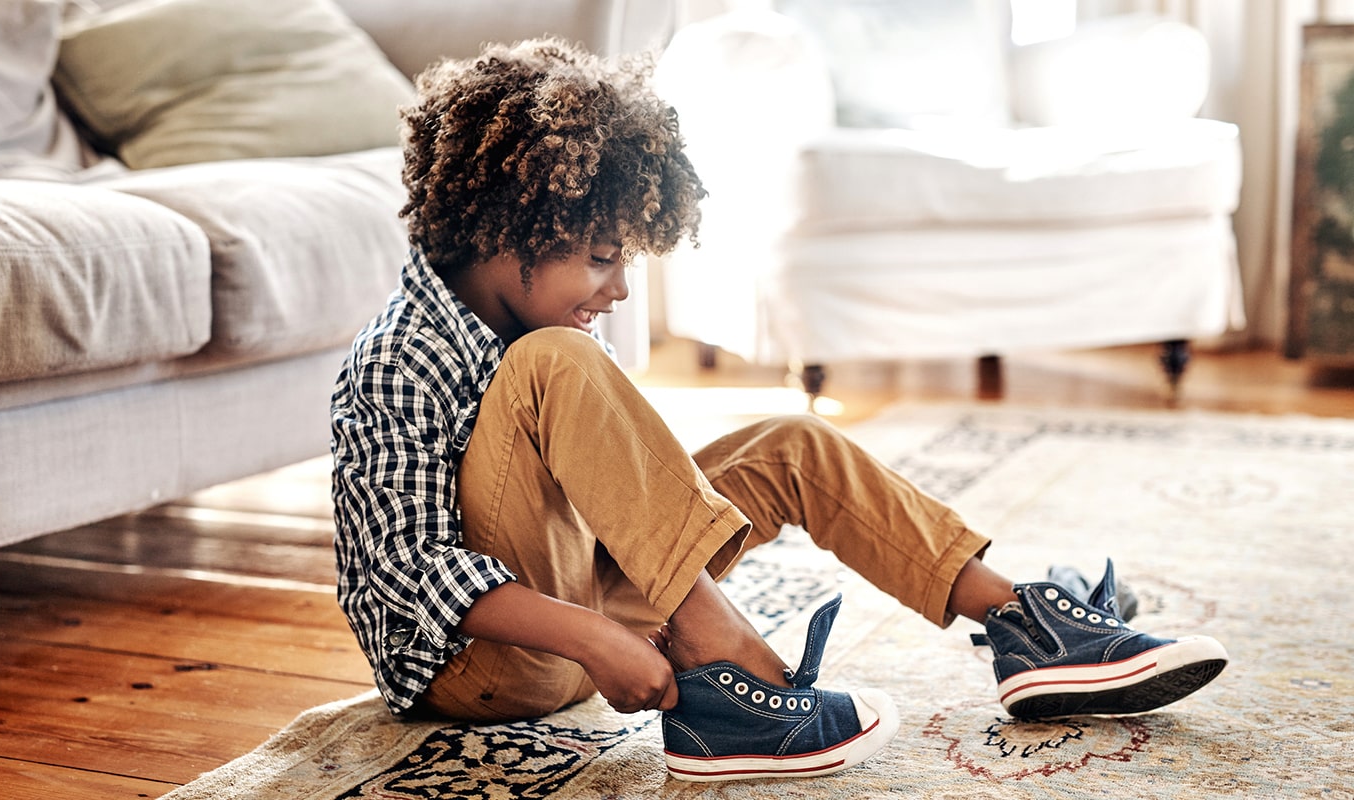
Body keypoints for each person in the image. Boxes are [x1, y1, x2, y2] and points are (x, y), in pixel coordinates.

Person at [330, 38, 1228, 784]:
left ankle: (1021, 624)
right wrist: (597, 635)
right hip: (478, 667)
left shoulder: (545, 322)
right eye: (603, 257)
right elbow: (405, 572)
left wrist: (623, 599)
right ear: (505, 228)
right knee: (553, 362)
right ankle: (734, 672)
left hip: (582, 616)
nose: (618, 288)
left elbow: (622, 494)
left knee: (792, 443)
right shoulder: (401, 356)